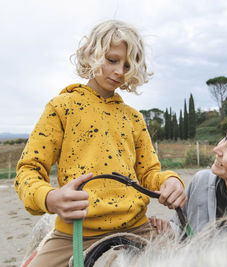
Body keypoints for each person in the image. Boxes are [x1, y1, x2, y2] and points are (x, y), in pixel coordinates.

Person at [15, 20, 186, 267]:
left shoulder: (134, 118)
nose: (120, 71)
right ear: (90, 55)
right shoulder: (61, 107)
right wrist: (50, 198)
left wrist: (171, 181)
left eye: (128, 65)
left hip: (137, 228)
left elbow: (149, 173)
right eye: (112, 60)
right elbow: (28, 170)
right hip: (76, 232)